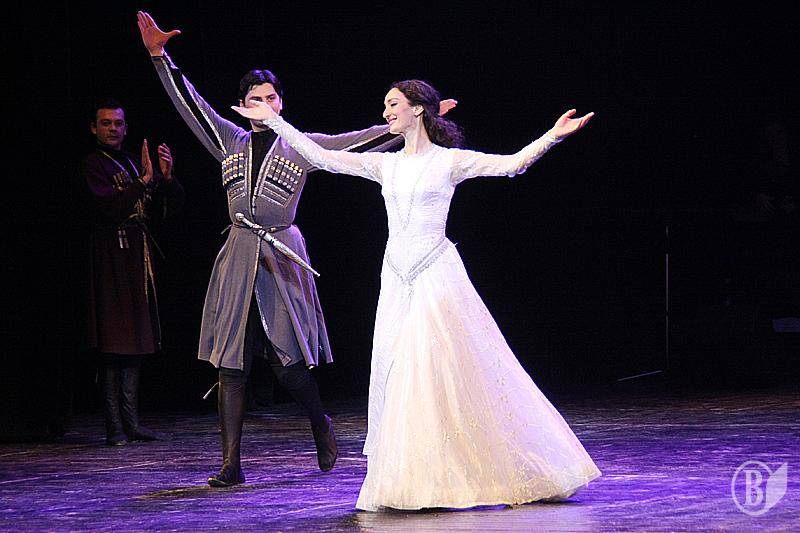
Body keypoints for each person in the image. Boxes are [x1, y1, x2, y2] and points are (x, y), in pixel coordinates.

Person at [234, 79, 602, 510]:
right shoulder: (386, 165)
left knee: (435, 370)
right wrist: (275, 121)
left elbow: (512, 165)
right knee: (398, 373)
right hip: (396, 277)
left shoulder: (449, 161)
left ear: (419, 110)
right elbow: (322, 157)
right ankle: (413, 478)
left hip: (435, 275)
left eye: (393, 104)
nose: (386, 112)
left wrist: (553, 135)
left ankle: (457, 474)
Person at [136, 12, 456, 487]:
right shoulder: (230, 139)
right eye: (255, 99)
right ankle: (230, 465)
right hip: (238, 254)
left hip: (280, 255)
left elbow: (357, 143)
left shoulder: (300, 145)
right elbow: (191, 105)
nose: (264, 104)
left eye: (271, 98)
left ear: (281, 103)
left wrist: (419, 123)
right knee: (231, 365)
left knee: (287, 364)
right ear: (243, 106)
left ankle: (319, 421)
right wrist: (160, 57)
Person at [83, 98, 185, 446]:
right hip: (111, 257)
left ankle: (132, 422)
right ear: (94, 128)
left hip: (136, 260)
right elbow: (109, 208)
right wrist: (143, 181)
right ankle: (114, 426)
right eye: (106, 123)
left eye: (118, 123)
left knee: (136, 341)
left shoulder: (128, 161)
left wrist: (165, 179)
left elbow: (159, 209)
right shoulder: (93, 164)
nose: (113, 129)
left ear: (125, 128)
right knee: (114, 343)